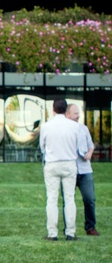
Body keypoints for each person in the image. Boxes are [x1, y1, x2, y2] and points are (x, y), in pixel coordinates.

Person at [39, 98, 81, 240]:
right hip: (69, 163)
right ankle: (70, 232)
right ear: (66, 110)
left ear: (53, 109)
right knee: (69, 198)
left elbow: (42, 147)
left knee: (52, 199)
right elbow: (78, 146)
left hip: (52, 164)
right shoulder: (75, 126)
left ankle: (53, 233)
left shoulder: (46, 126)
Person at [65, 103, 100, 235]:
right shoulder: (64, 130)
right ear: (67, 115)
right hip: (70, 169)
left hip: (85, 170)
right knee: (68, 201)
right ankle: (69, 229)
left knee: (89, 199)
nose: (78, 116)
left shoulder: (83, 129)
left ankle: (90, 227)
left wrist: (90, 153)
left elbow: (91, 145)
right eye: (75, 113)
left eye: (78, 113)